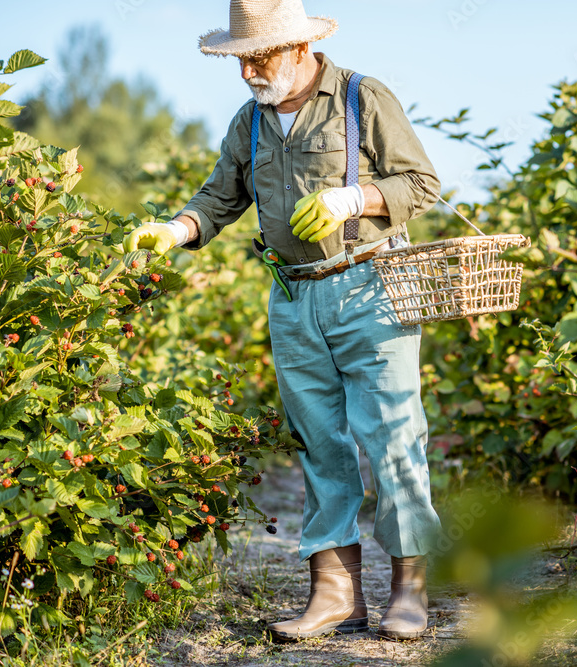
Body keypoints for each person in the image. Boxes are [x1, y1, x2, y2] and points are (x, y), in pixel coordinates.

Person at [124, 0, 442, 642]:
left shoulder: (361, 98)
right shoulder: (250, 122)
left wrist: (357, 197)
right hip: (293, 298)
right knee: (318, 441)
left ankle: (410, 588)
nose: (247, 72)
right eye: (240, 59)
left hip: (371, 286)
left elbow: (424, 184)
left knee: (391, 436)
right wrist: (177, 229)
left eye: (259, 57)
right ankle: (335, 593)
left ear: (299, 49)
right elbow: (220, 196)